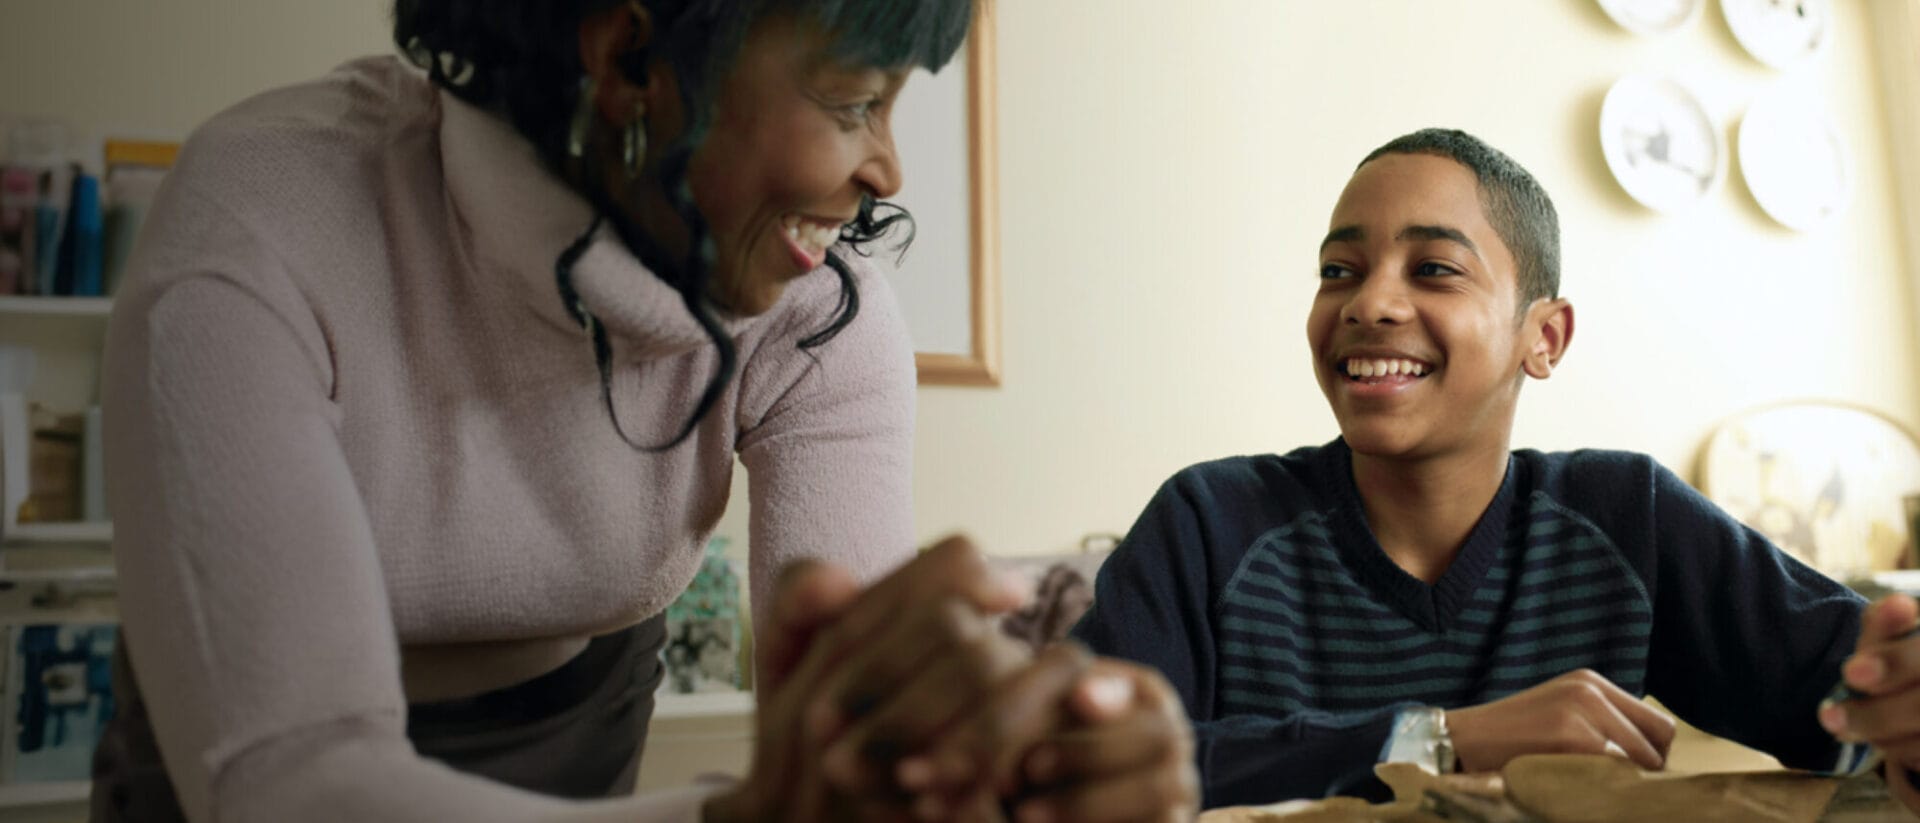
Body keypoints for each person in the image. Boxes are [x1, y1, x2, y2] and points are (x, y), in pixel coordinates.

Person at [95, 1, 1197, 820]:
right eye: (856, 100)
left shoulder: (819, 311)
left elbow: (860, 756)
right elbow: (293, 782)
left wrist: (1015, 764)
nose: (888, 169)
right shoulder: (262, 228)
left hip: (580, 745)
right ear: (630, 60)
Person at [1070, 127, 1920, 811]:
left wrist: (1899, 696)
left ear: (1542, 337)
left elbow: (1851, 709)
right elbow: (1075, 772)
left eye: (1433, 268)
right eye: (1339, 271)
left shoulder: (1628, 517)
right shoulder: (1210, 521)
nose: (1368, 303)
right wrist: (1436, 739)